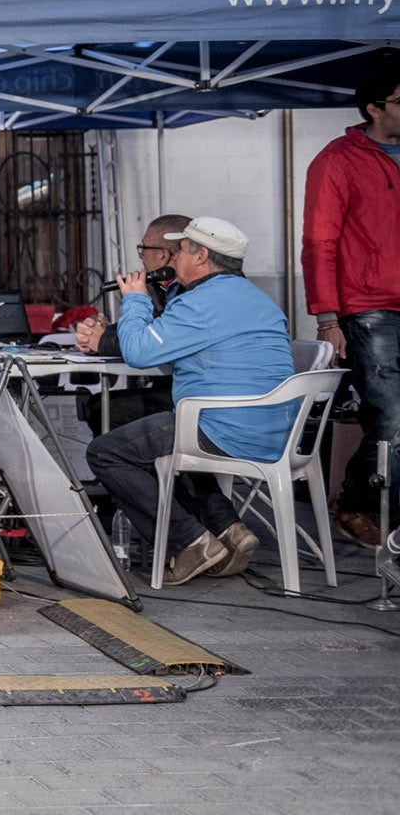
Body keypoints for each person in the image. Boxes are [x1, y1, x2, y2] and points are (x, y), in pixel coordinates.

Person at [86, 218, 294, 585]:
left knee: (106, 452)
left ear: (200, 256)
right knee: (160, 432)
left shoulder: (202, 303)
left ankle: (190, 542)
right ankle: (227, 529)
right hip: (273, 431)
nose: (175, 256)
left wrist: (134, 299)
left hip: (223, 427)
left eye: (181, 249)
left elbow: (139, 351)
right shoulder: (256, 299)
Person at [302, 54, 400, 550]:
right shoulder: (337, 160)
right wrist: (326, 318)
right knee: (391, 416)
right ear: (374, 108)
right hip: (367, 307)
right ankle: (359, 504)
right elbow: (319, 243)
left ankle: (381, 510)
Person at [70, 214, 187, 433]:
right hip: (181, 391)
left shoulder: (191, 292)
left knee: (102, 411)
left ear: (163, 255)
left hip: (190, 400)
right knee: (101, 406)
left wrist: (103, 341)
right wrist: (100, 333)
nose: (141, 255)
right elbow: (152, 324)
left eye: (143, 247)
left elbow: (154, 341)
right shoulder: (165, 287)